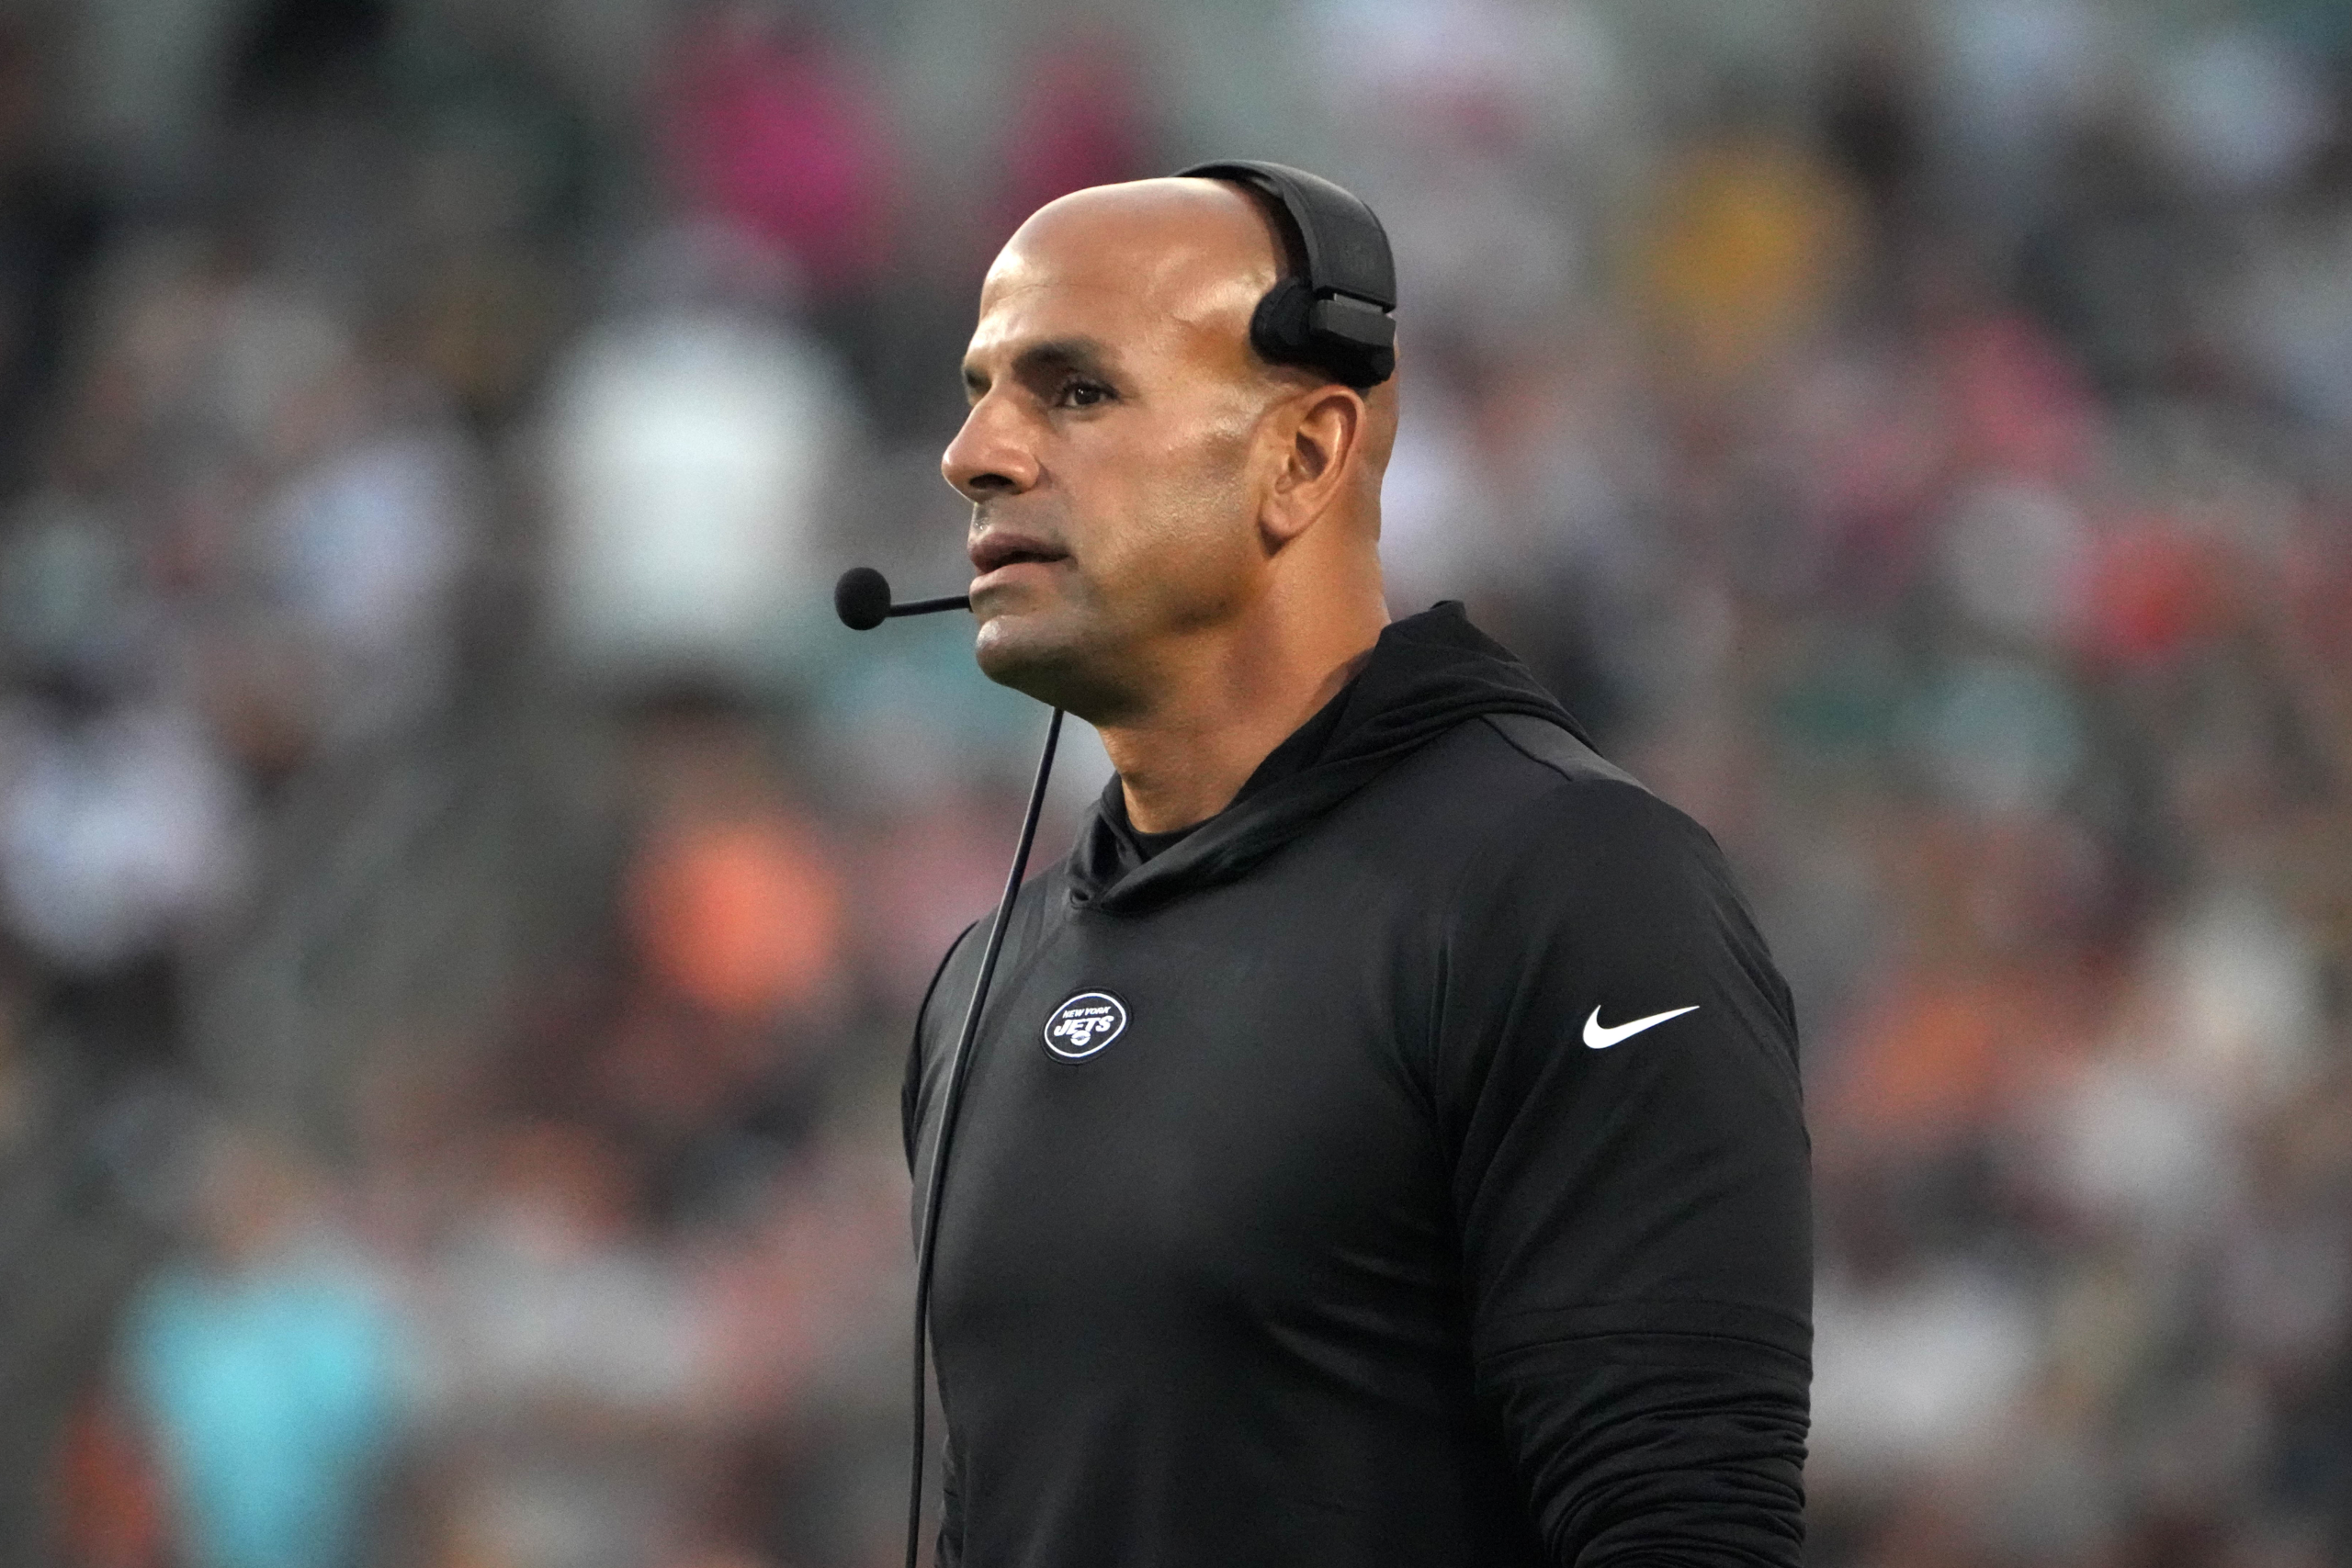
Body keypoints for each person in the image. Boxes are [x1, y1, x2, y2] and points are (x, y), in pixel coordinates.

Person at [903, 168, 1810, 1566]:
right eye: (979, 388)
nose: (976, 452)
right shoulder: (988, 980)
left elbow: (1681, 1531)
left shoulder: (1570, 886)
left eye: (1073, 390)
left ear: (1305, 457)